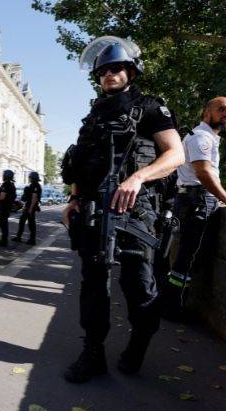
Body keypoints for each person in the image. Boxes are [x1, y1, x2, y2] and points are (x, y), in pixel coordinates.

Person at [61, 38, 184, 383]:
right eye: (102, 71)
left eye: (115, 68)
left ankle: (138, 344)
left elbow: (175, 155)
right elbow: (81, 163)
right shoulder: (93, 116)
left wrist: (138, 179)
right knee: (93, 285)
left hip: (135, 210)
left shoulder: (149, 107)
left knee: (139, 286)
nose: (108, 75)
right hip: (94, 211)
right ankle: (93, 353)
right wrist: (73, 199)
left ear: (130, 71)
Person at [161, 96, 226, 318]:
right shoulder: (202, 138)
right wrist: (225, 197)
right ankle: (172, 307)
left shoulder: (202, 136)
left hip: (192, 199)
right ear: (207, 113)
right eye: (222, 109)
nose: (225, 114)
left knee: (187, 255)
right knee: (188, 256)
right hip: (198, 200)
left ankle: (173, 303)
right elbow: (204, 172)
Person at [14, 172, 43, 245]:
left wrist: (30, 208)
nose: (29, 178)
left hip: (31, 206)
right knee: (23, 221)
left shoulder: (35, 186)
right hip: (29, 206)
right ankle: (19, 237)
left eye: (29, 177)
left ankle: (31, 239)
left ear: (32, 178)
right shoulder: (33, 185)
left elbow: (34, 198)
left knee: (31, 223)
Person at [0, 169, 17, 249]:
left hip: (3, 207)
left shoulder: (6, 184)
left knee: (3, 224)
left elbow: (2, 197)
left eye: (4, 174)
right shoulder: (12, 184)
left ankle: (4, 241)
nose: (3, 176)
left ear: (6, 176)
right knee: (4, 224)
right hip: (7, 207)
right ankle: (4, 240)